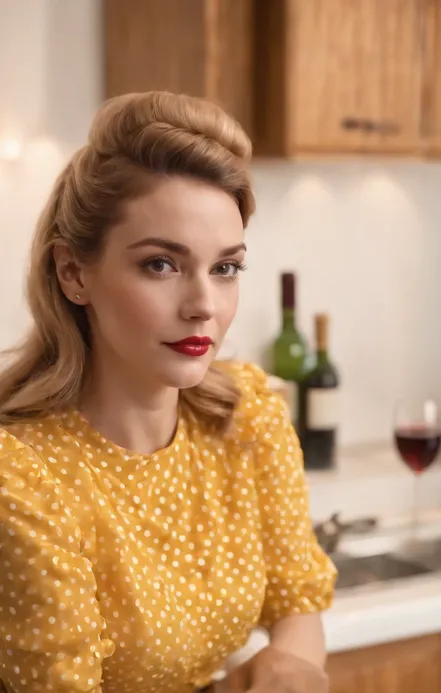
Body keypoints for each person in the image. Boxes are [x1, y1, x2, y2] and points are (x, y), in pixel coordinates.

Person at [0, 91, 336, 693]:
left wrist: (292, 667)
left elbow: (298, 601)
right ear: (74, 272)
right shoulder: (23, 483)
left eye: (225, 267)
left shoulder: (247, 414)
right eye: (161, 264)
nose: (204, 306)